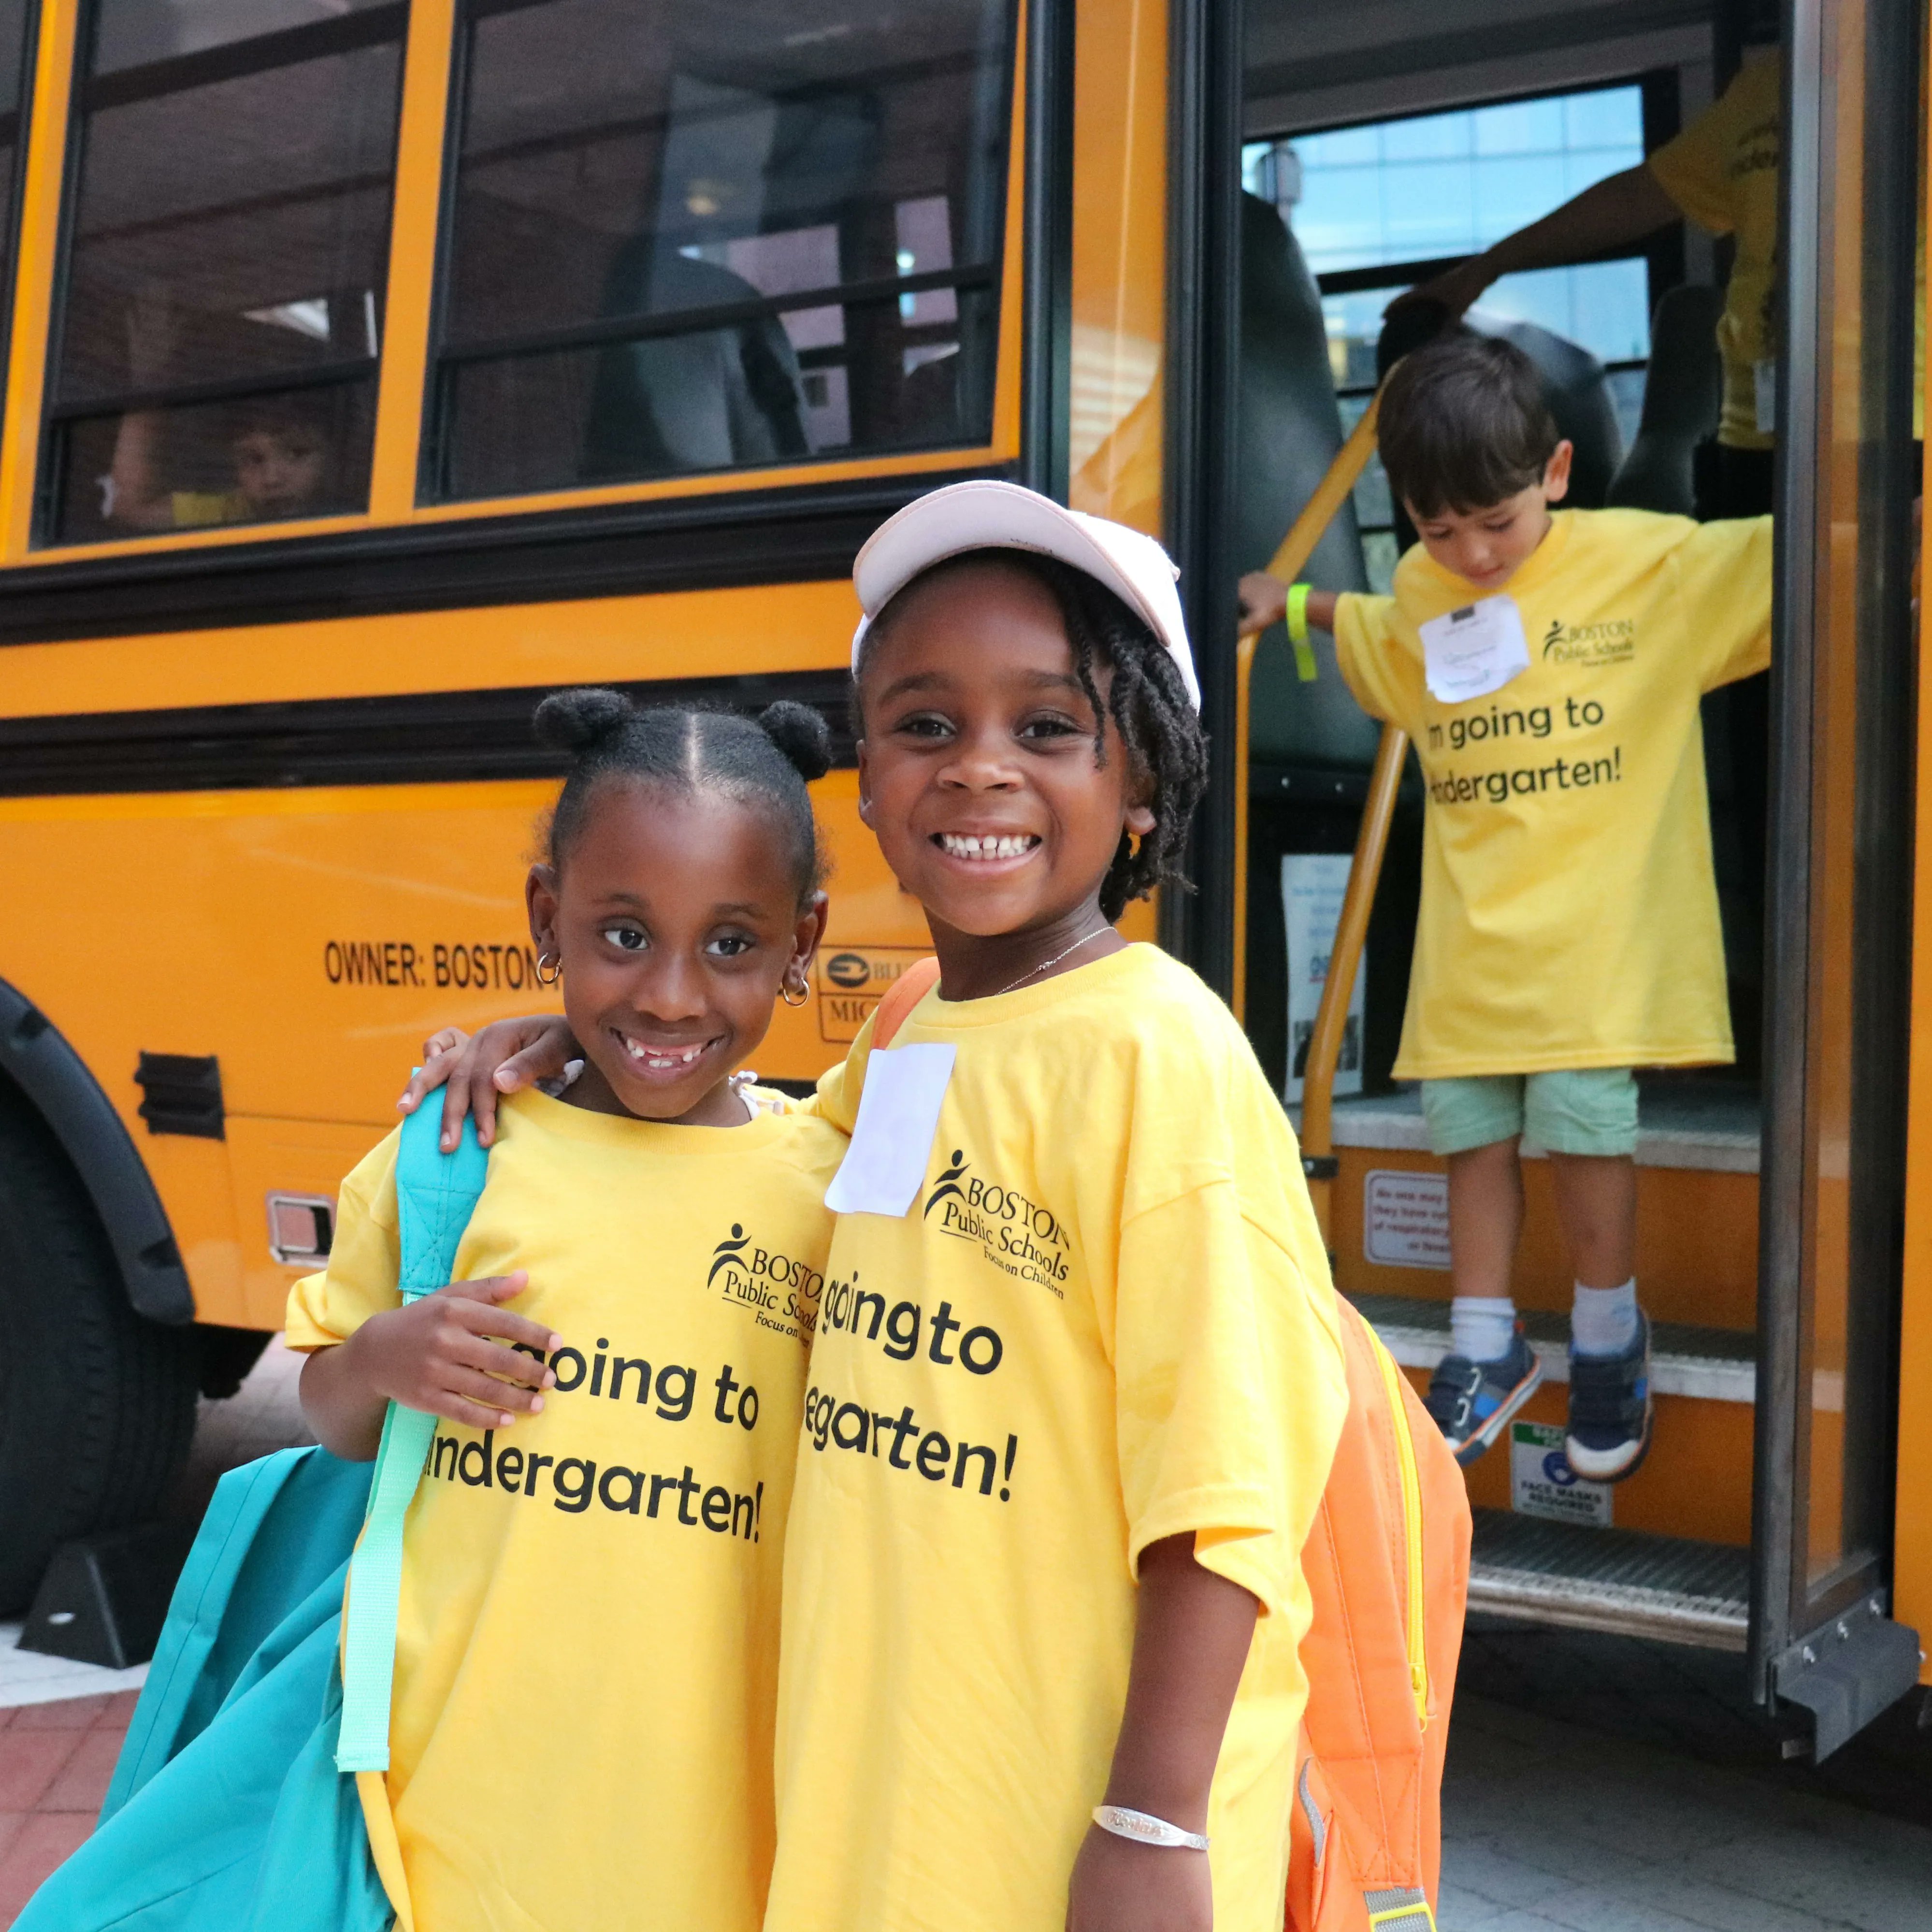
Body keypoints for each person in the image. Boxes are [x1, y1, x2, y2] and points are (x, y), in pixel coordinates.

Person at [404, 481, 1352, 1931]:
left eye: (1045, 727)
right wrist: (562, 1039)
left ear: (1143, 779)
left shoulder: (1156, 1053)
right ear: (862, 783)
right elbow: (759, 1149)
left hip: (1067, 1822)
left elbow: (1222, 1497)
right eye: (924, 724)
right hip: (895, 1806)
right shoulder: (912, 1024)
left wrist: (1154, 1825)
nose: (978, 769)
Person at [291, 692, 847, 1931]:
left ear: (804, 940)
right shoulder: (455, 1153)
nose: (667, 997)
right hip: (457, 1806)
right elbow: (329, 1407)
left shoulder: (835, 1189)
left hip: (724, 1817)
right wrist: (385, 1355)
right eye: (623, 934)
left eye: (731, 945)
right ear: (548, 917)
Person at [1239, 332, 1771, 1482]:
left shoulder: (1649, 567)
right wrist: (1292, 607)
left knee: (1583, 1124)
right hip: (1475, 942)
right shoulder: (1424, 592)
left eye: (1498, 521)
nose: (1472, 554)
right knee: (1469, 1129)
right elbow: (1376, 628)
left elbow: (1814, 545)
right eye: (1438, 529)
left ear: (1559, 473)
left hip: (1597, 940)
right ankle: (1487, 1342)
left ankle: (1605, 1328)